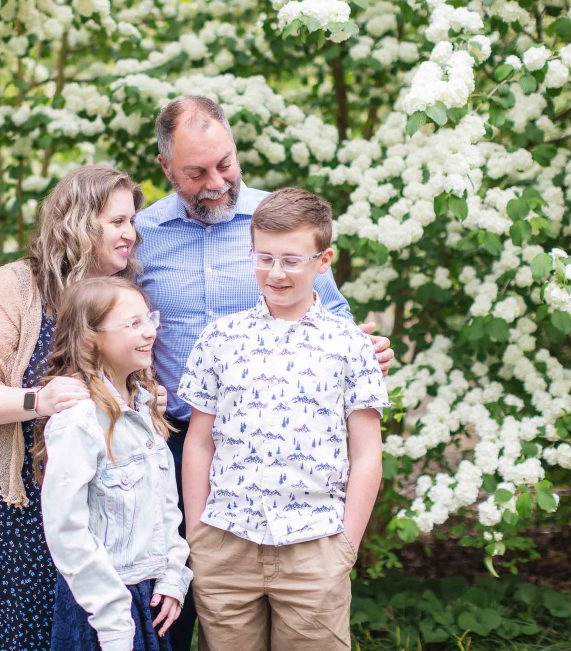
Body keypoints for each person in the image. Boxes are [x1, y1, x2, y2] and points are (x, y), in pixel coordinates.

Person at [134, 95, 395, 649]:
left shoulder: (279, 223)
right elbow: (109, 319)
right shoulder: (142, 235)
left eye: (224, 163)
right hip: (173, 446)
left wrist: (363, 353)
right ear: (165, 168)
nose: (216, 181)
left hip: (297, 478)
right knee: (174, 614)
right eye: (196, 172)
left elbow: (333, 316)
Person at [0, 166, 149, 650]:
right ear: (79, 221)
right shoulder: (15, 287)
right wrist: (38, 401)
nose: (130, 234)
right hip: (6, 509)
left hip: (89, 516)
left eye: (132, 221)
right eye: (117, 222)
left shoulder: (125, 295)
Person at [178, 188, 389, 650]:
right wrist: (198, 534)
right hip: (226, 542)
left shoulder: (351, 346)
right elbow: (199, 441)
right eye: (264, 258)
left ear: (323, 259)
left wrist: (345, 546)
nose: (275, 273)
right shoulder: (220, 339)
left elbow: (367, 452)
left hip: (315, 546)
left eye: (291, 261)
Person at [36, 277, 192, 651]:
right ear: (92, 338)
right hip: (102, 606)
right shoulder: (79, 421)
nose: (150, 331)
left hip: (153, 599)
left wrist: (173, 577)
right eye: (133, 324)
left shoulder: (146, 407)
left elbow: (166, 507)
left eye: (149, 319)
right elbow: (66, 530)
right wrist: (112, 617)